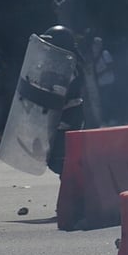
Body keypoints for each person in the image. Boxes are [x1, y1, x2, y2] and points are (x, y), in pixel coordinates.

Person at [41, 25, 86, 176]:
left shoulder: (70, 67)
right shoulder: (63, 66)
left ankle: (75, 194)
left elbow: (61, 94)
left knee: (61, 161)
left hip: (68, 119)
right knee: (59, 161)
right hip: (61, 118)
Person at [91, 37, 117, 125]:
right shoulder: (93, 56)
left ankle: (111, 119)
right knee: (103, 103)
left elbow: (111, 65)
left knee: (108, 101)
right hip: (100, 84)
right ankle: (105, 120)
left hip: (108, 82)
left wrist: (100, 73)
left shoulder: (104, 53)